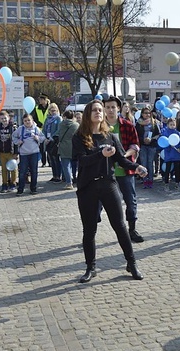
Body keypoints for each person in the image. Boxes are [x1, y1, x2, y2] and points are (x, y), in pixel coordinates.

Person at [71, 100, 148, 283]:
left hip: (108, 185)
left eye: (100, 110)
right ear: (88, 113)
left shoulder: (110, 136)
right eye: (95, 110)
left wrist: (136, 167)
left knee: (120, 226)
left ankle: (132, 263)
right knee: (89, 230)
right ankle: (91, 267)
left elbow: (121, 160)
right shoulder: (79, 136)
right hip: (88, 187)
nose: (99, 112)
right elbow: (82, 161)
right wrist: (100, 154)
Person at [103, 95, 144, 242]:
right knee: (98, 202)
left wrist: (124, 157)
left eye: (113, 107)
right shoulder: (99, 127)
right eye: (107, 107)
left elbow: (135, 145)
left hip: (125, 170)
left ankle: (132, 230)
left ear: (118, 108)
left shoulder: (127, 125)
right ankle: (90, 233)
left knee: (130, 200)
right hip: (105, 171)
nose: (110, 110)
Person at [12, 113, 44, 195]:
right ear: (23, 121)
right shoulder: (20, 129)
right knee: (22, 172)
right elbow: (14, 136)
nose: (27, 122)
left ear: (32, 120)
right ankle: (20, 189)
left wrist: (38, 138)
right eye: (25, 121)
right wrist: (18, 142)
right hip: (24, 154)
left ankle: (33, 188)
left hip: (34, 153)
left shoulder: (36, 129)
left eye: (29, 120)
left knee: (34, 171)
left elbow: (42, 137)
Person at [134, 106, 161, 188]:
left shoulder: (154, 122)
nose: (147, 115)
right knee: (143, 163)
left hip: (151, 145)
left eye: (149, 113)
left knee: (150, 163)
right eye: (145, 113)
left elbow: (158, 134)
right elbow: (136, 135)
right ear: (142, 114)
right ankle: (145, 181)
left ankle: (150, 180)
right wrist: (143, 139)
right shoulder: (139, 123)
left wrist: (151, 139)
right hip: (142, 146)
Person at [0, 111, 18, 193]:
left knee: (13, 169)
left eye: (5, 118)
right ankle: (4, 184)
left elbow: (16, 141)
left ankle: (13, 183)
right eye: (2, 118)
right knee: (4, 169)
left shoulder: (13, 128)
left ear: (8, 118)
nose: (4, 120)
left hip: (11, 152)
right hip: (2, 152)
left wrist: (16, 152)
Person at [56, 110, 79, 190]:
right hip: (74, 146)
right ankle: (76, 178)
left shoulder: (61, 124)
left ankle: (69, 183)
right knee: (76, 164)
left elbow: (58, 134)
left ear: (65, 116)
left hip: (63, 146)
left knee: (66, 165)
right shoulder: (76, 125)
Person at [43, 103, 63, 183]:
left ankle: (58, 175)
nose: (53, 112)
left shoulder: (58, 118)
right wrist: (45, 138)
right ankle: (54, 175)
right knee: (51, 159)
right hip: (47, 140)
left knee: (56, 159)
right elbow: (44, 129)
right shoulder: (47, 119)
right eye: (52, 110)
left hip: (54, 140)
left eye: (55, 110)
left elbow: (59, 129)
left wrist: (52, 137)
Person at [31, 93, 50, 166]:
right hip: (40, 129)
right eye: (39, 100)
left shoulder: (50, 108)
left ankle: (50, 161)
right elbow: (34, 118)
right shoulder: (37, 108)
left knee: (49, 146)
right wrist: (40, 124)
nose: (40, 101)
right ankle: (43, 162)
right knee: (41, 147)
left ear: (45, 100)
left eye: (42, 99)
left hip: (48, 129)